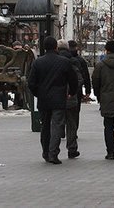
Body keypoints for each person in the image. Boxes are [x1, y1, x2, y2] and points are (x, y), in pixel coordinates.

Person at [27, 36, 77, 164]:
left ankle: (45, 152)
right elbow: (73, 79)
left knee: (45, 126)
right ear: (56, 47)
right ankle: (53, 153)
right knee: (56, 126)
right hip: (59, 98)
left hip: (43, 99)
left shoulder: (38, 62)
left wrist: (38, 93)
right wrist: (71, 92)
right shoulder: (64, 62)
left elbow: (31, 83)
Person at [58, 39, 88, 158]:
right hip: (71, 97)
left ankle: (52, 151)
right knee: (71, 123)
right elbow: (80, 78)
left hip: (55, 97)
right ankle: (72, 148)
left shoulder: (51, 61)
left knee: (55, 123)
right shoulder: (74, 61)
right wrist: (72, 91)